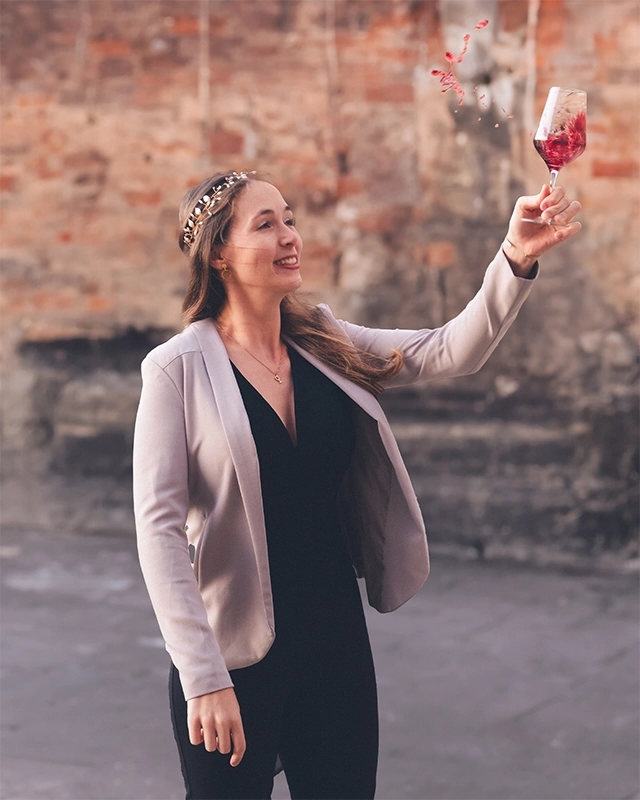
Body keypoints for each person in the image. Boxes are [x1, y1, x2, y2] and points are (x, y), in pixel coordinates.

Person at [132, 170, 581, 800]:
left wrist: (515, 259)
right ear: (218, 253)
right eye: (266, 224)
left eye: (289, 219)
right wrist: (202, 677)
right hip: (233, 653)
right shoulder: (175, 369)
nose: (290, 236)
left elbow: (447, 350)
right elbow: (157, 532)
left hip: (333, 639)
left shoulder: (322, 339)